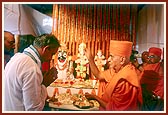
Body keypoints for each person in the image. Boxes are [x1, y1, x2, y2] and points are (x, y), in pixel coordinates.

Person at [4, 34, 60, 111]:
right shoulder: (32, 68)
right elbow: (34, 109)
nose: (51, 58)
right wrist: (44, 85)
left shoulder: (17, 57)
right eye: (52, 54)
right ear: (46, 49)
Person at [85, 40, 142, 111]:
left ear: (122, 60)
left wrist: (95, 97)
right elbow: (98, 75)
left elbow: (115, 109)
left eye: (112, 56)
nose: (108, 59)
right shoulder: (115, 71)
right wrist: (90, 59)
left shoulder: (125, 80)